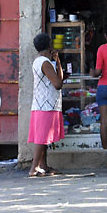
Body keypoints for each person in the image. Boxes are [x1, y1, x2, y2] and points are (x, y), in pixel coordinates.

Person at [27, 33, 64, 177]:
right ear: (49, 45)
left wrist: (57, 61)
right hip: (46, 105)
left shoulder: (38, 61)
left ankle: (43, 166)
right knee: (42, 138)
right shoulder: (45, 63)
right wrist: (57, 63)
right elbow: (58, 84)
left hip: (40, 103)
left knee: (43, 137)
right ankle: (34, 168)